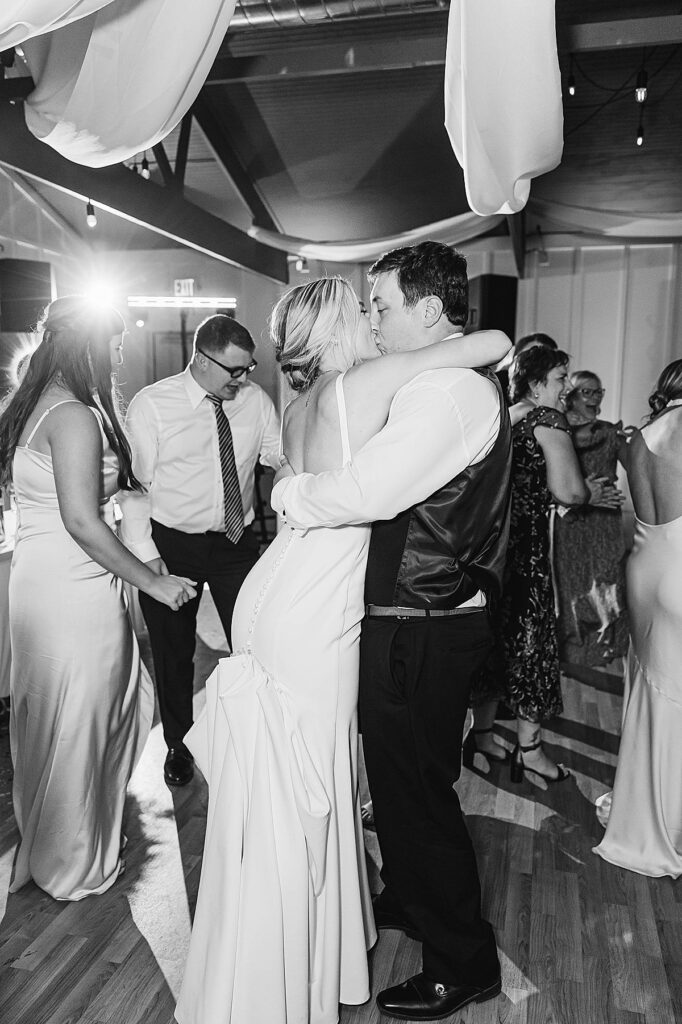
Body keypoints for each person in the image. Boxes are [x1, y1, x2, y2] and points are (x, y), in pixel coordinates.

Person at [174, 269, 511, 1024]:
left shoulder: (295, 403)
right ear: (336, 330)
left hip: (273, 592)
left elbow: (286, 493)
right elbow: (492, 341)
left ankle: (285, 942)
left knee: (286, 782)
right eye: (363, 310)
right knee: (310, 787)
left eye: (380, 304)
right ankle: (296, 956)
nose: (371, 318)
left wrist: (291, 497)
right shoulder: (367, 383)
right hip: (316, 611)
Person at [0, 296, 195, 901]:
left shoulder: (29, 404)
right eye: (112, 344)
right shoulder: (75, 416)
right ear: (85, 345)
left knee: (51, 722)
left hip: (36, 585)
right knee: (85, 720)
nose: (118, 355)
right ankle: (73, 860)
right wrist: (155, 581)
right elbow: (84, 523)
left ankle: (52, 845)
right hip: (74, 592)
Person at [119, 314, 280, 787]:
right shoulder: (153, 405)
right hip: (173, 543)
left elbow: (279, 456)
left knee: (254, 641)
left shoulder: (255, 402)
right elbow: (134, 490)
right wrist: (149, 560)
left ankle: (254, 739)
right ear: (203, 360)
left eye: (249, 368)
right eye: (235, 370)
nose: (245, 378)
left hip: (236, 542)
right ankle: (178, 745)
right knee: (174, 652)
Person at [470, 348, 622, 780]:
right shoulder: (548, 420)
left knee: (495, 643)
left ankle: (482, 736)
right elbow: (570, 491)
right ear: (536, 384)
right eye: (560, 378)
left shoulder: (507, 416)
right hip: (529, 555)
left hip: (492, 553)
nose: (566, 386)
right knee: (532, 646)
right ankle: (531, 751)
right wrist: (590, 490)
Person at [594, 360, 682, 878]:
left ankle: (643, 814)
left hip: (645, 568)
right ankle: (668, 827)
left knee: (653, 694)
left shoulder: (641, 436)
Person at [554, 370, 629, 666]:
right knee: (572, 588)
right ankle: (571, 653)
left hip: (604, 525)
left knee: (607, 585)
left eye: (599, 392)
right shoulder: (557, 434)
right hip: (570, 524)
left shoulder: (612, 433)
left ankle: (605, 648)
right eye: (588, 392)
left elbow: (639, 468)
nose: (596, 398)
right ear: (571, 396)